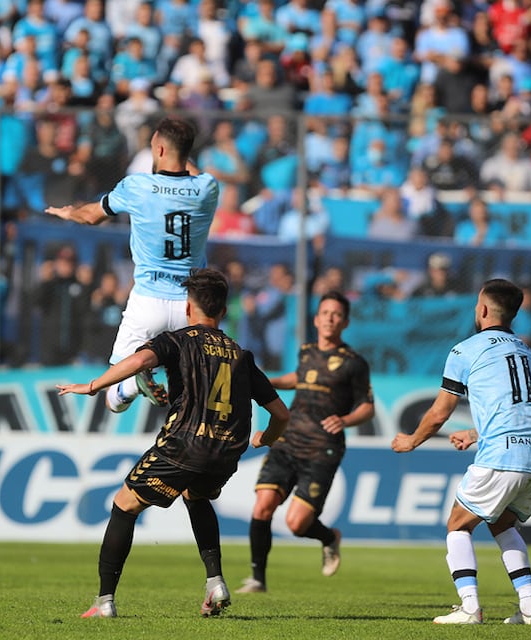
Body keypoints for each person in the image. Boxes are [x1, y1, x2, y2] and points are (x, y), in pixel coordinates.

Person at [56, 268, 290, 619]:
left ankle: (104, 602)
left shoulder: (177, 340)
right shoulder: (241, 354)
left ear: (187, 308)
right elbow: (282, 415)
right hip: (228, 449)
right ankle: (215, 583)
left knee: (124, 505)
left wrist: (92, 386)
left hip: (185, 443)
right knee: (195, 496)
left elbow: (138, 361)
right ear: (224, 312)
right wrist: (265, 439)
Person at [392, 279, 531, 626]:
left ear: (482, 310)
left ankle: (470, 608)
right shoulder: (527, 353)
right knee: (503, 524)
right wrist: (477, 434)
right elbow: (519, 409)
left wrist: (411, 441)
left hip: (502, 456)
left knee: (457, 525)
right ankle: (530, 609)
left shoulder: (465, 350)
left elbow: (439, 413)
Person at [46, 116, 219, 413]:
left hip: (147, 302)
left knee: (113, 401)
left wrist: (68, 213)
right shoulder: (207, 188)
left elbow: (91, 216)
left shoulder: (137, 187)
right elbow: (192, 173)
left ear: (160, 150)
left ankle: (129, 386)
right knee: (192, 391)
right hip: (191, 306)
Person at [237, 291, 375, 594]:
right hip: (288, 441)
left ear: (345, 322)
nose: (329, 318)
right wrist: (265, 381)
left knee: (297, 524)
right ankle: (257, 578)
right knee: (263, 506)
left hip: (322, 449)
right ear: (316, 318)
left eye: (336, 314)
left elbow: (368, 406)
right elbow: (297, 379)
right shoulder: (306, 351)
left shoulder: (354, 363)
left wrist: (345, 420)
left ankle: (329, 538)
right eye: (325, 312)